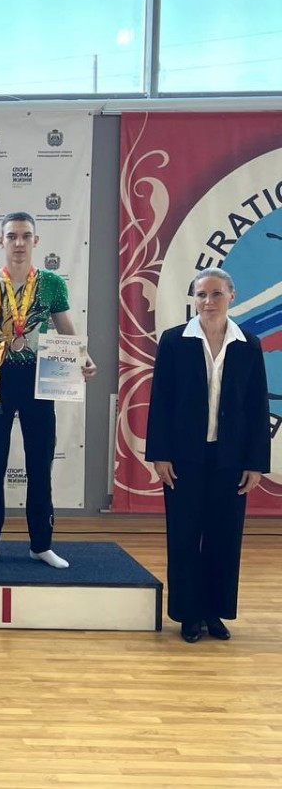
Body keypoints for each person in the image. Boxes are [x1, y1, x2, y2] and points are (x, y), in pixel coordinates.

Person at [0, 212, 97, 568]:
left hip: (40, 380)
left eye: (25, 236)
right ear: (0, 241)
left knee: (40, 465)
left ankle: (41, 544)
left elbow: (67, 333)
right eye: (12, 236)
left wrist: (84, 359)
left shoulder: (52, 283)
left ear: (36, 241)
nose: (18, 243)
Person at [146, 267, 270, 643]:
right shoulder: (174, 341)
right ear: (194, 300)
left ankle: (215, 612)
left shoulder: (248, 344)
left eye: (216, 294)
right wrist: (160, 454)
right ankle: (188, 614)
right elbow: (161, 402)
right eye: (201, 295)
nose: (208, 301)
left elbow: (257, 406)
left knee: (224, 536)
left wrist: (255, 463)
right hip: (184, 457)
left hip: (230, 458)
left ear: (231, 296)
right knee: (184, 536)